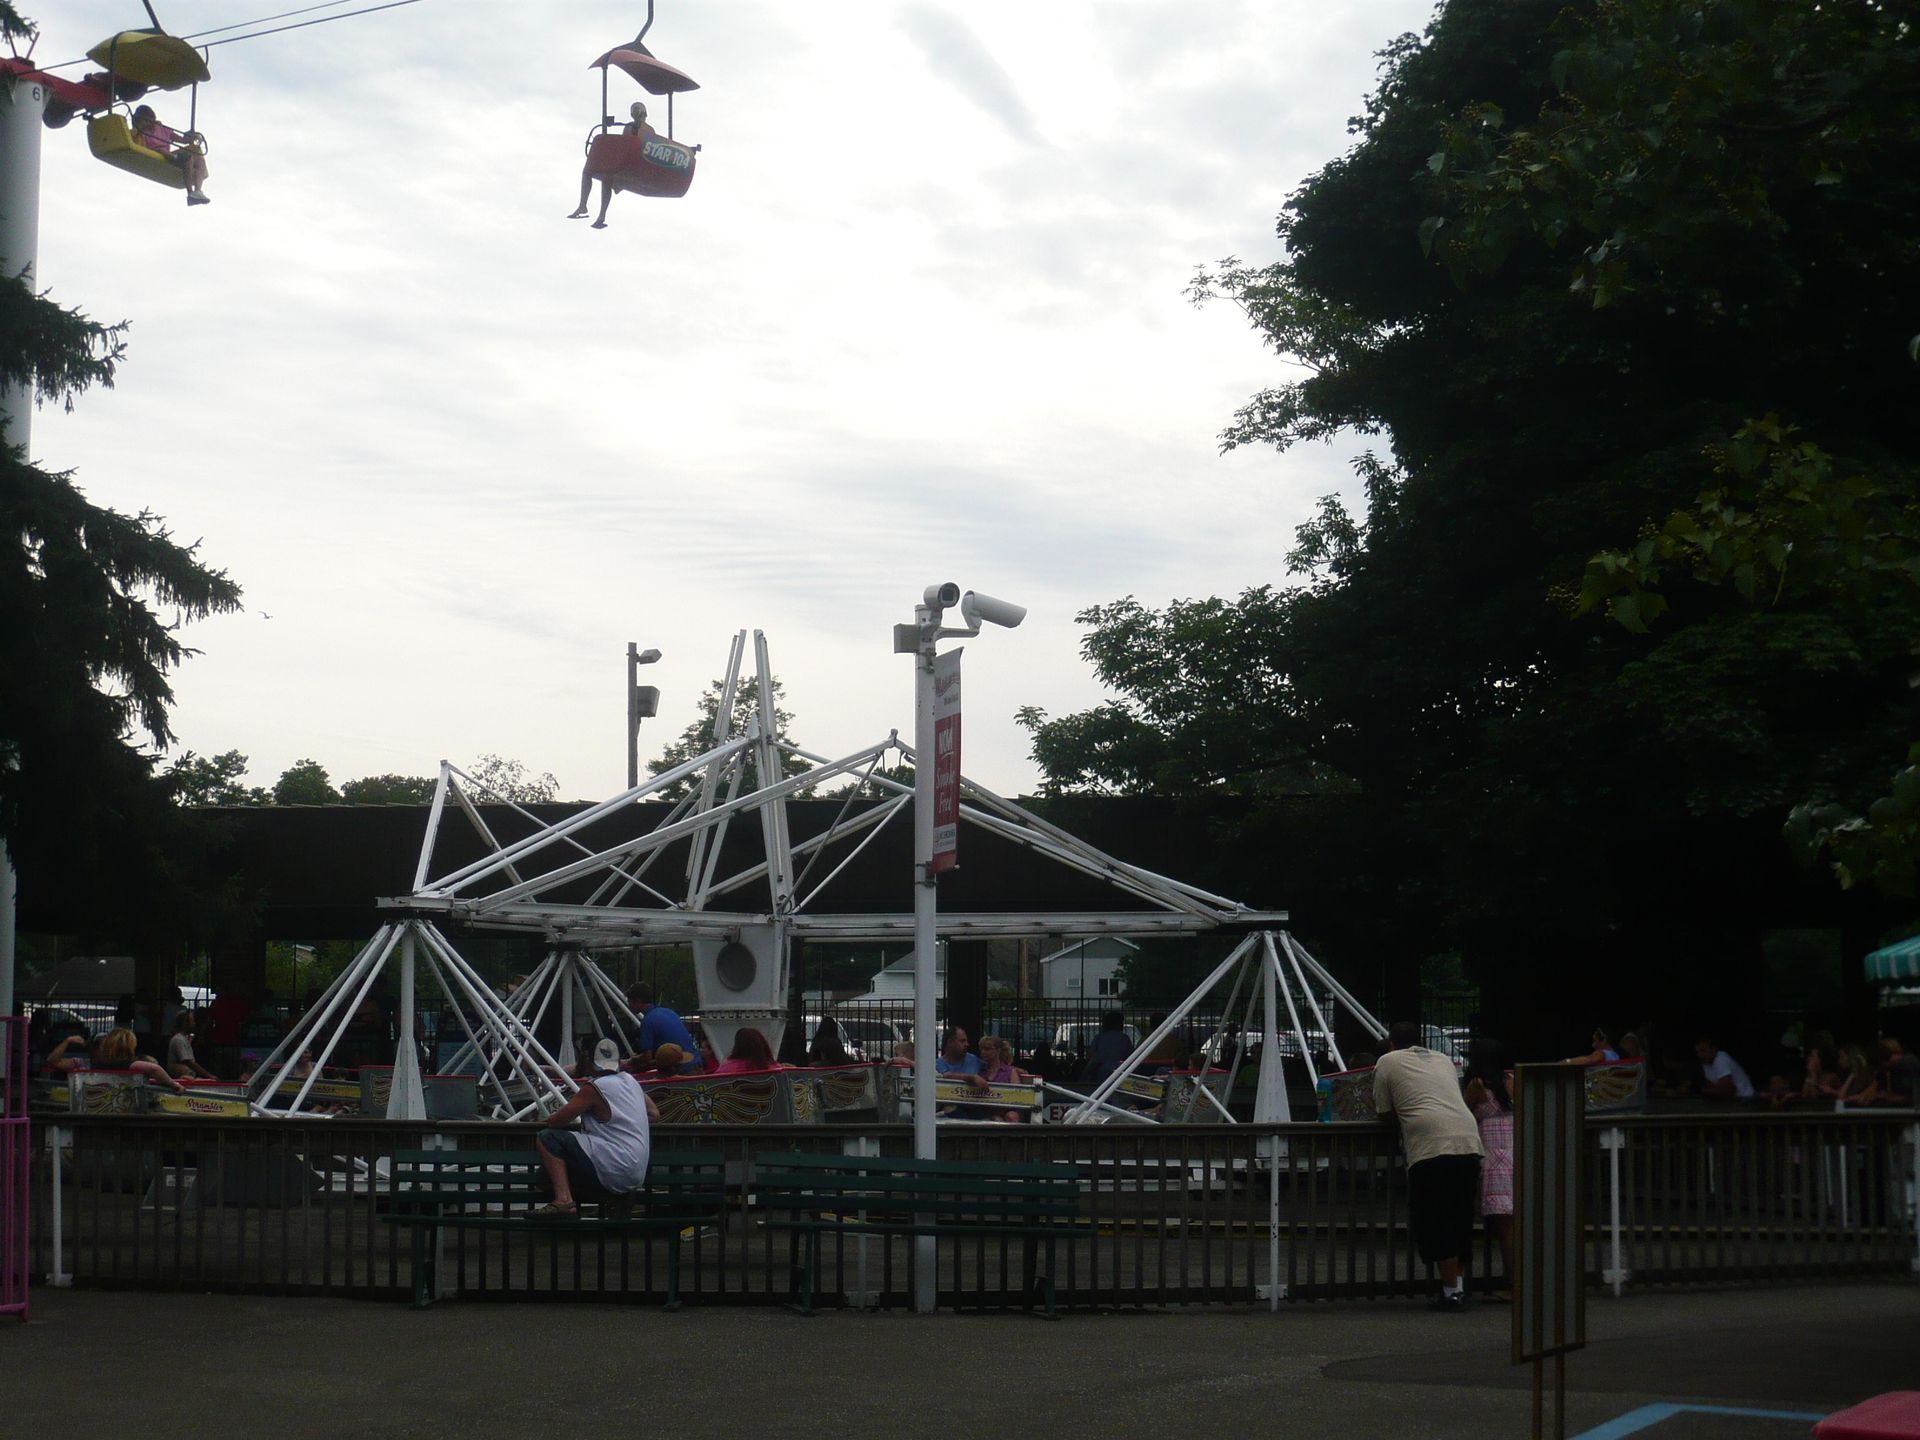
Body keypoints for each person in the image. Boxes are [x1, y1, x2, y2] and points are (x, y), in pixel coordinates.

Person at [1373, 1020, 1483, 1311]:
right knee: (1460, 1216)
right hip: (1468, 1139)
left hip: (1429, 1145)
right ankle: (1457, 1287)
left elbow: (1383, 1111)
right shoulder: (1443, 1059)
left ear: (1391, 1043)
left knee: (1436, 1218)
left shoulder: (1387, 1061)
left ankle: (1450, 1292)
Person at [532, 1038, 659, 1217]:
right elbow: (654, 1114)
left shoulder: (594, 1088)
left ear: (590, 1062)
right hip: (635, 1173)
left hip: (614, 1165)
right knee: (545, 1176)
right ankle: (612, 1198)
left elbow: (557, 1121)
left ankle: (564, 1201)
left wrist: (544, 1118)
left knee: (548, 1138)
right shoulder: (630, 1081)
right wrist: (624, 1121)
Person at [1462, 1040, 1514, 1301]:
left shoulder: (1476, 1085)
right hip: (1515, 1151)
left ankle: (1513, 1286)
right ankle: (1517, 1282)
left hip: (1494, 1156)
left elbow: (1463, 1115)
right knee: (1513, 1223)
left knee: (1505, 1227)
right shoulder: (1512, 1082)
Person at [569, 100, 656, 229]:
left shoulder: (648, 130)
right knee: (595, 175)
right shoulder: (628, 128)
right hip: (624, 163)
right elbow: (624, 146)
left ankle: (600, 214)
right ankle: (585, 207)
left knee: (607, 179)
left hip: (636, 166)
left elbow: (647, 150)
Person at [130, 103, 210, 205]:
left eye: (147, 121)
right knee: (179, 156)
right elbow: (134, 140)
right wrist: (138, 129)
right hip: (156, 152)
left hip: (167, 153)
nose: (146, 124)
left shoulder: (162, 129)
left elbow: (182, 140)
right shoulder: (139, 133)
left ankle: (197, 191)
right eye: (143, 121)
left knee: (197, 157)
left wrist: (194, 138)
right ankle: (190, 192)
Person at [627, 983, 702, 1073]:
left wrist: (632, 1060)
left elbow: (647, 1058)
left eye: (629, 1002)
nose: (629, 1005)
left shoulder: (647, 1021)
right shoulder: (668, 1011)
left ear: (638, 1000)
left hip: (681, 1068)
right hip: (696, 1063)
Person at [1078, 1010, 1135, 1090]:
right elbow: (1131, 1055)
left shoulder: (1099, 1037)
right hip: (1120, 1069)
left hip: (1100, 1069)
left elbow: (1090, 1055)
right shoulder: (1124, 1038)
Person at [1694, 1035, 1755, 1100]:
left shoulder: (1721, 1059)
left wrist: (1701, 1091)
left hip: (1746, 1099)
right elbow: (1713, 1088)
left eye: (1703, 1051)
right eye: (1698, 1052)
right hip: (1731, 1101)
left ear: (1713, 1049)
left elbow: (1727, 1091)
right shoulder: (1705, 1063)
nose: (1699, 1055)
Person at [166, 1010, 216, 1080]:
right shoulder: (179, 1040)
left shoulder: (183, 1038)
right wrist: (208, 1075)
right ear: (185, 1023)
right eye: (193, 1021)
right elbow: (188, 1062)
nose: (194, 1024)